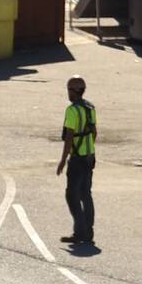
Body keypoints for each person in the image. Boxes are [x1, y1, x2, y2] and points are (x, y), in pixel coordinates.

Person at [57, 75, 96, 248]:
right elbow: (94, 132)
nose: (68, 93)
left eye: (68, 89)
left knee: (71, 195)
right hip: (90, 156)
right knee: (86, 194)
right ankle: (88, 231)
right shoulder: (90, 108)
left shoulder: (72, 111)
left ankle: (80, 232)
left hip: (78, 158)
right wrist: (88, 147)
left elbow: (69, 138)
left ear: (73, 91)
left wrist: (63, 160)